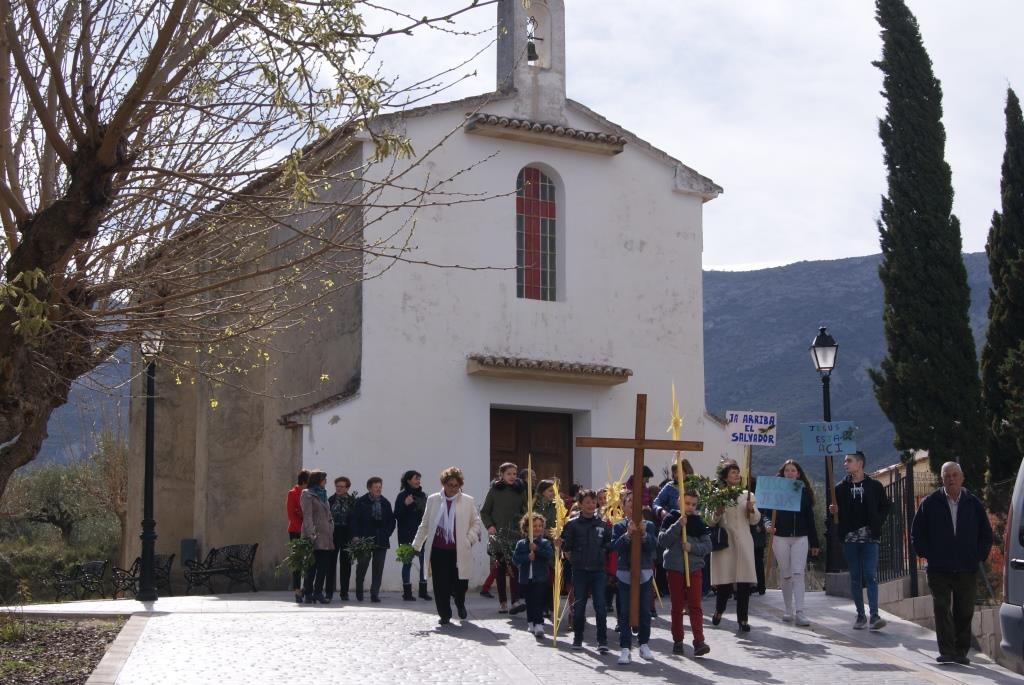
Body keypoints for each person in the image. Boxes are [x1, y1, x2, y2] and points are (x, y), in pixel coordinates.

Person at [911, 462, 993, 665]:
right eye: (947, 476)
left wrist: (977, 556)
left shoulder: (973, 503)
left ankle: (961, 652)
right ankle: (946, 651)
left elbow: (986, 534)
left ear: (962, 477)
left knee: (964, 611)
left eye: (955, 475)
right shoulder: (930, 503)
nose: (951, 479)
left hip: (967, 567)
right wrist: (928, 554)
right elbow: (917, 534)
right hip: (939, 568)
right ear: (942, 478)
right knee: (941, 608)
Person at [411, 466, 483, 625]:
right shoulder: (433, 499)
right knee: (440, 584)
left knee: (460, 583)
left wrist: (468, 539)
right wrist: (415, 546)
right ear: (443, 484)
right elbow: (425, 524)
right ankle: (444, 613)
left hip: (458, 550)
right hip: (438, 550)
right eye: (449, 485)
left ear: (460, 486)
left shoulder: (467, 500)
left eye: (456, 485)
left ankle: (460, 602)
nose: (452, 488)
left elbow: (476, 523)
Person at [830, 451, 891, 631]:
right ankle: (860, 615)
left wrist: (877, 523)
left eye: (849, 460)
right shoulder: (840, 489)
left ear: (860, 463)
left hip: (870, 538)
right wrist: (834, 511)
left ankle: (875, 615)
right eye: (844, 461)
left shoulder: (875, 486)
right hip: (850, 539)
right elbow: (834, 515)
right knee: (855, 578)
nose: (845, 464)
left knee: (871, 575)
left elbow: (885, 506)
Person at [761, 459, 819, 626]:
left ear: (798, 474)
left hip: (801, 537)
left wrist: (815, 543)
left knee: (798, 573)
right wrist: (767, 525)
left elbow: (810, 518)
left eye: (793, 470)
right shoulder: (774, 491)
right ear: (782, 473)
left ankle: (800, 612)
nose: (790, 473)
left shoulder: (804, 493)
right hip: (780, 538)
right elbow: (765, 513)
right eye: (787, 470)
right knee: (786, 573)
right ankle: (788, 610)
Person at [709, 459, 761, 632]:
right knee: (725, 582)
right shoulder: (717, 495)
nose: (737, 475)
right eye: (733, 472)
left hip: (744, 541)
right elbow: (709, 520)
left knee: (744, 583)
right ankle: (719, 610)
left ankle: (743, 619)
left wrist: (751, 510)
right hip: (726, 542)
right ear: (725, 476)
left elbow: (755, 520)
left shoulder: (748, 495)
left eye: (738, 472)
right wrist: (717, 512)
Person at [658, 489, 712, 657]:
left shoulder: (699, 522)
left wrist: (692, 547)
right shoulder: (670, 518)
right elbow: (663, 540)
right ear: (679, 502)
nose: (690, 507)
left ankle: (699, 641)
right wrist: (677, 526)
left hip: (694, 568)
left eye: (693, 504)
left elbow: (708, 546)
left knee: (695, 605)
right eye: (687, 503)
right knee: (677, 606)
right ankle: (678, 640)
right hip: (675, 568)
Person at [560, 488, 612, 653]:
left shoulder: (603, 524)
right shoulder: (572, 524)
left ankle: (602, 640)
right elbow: (566, 546)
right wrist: (568, 553)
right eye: (587, 502)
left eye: (593, 501)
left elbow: (608, 544)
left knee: (600, 606)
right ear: (580, 504)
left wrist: (602, 553)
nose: (591, 505)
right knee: (579, 606)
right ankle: (577, 638)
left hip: (598, 571)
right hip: (580, 570)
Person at [611, 488, 658, 665]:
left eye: (636, 504)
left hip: (644, 572)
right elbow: (616, 547)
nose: (633, 507)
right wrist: (628, 535)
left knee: (645, 611)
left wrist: (644, 534)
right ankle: (625, 647)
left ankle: (644, 644)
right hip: (624, 573)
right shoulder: (619, 526)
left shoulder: (650, 525)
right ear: (624, 507)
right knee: (624, 611)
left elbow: (653, 546)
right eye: (629, 503)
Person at [480, 462, 528, 614]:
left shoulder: (521, 491)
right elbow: (485, 512)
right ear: (501, 474)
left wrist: (523, 522)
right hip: (499, 536)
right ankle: (502, 602)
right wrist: (490, 526)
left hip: (515, 535)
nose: (512, 476)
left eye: (514, 473)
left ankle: (515, 601)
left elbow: (526, 510)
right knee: (500, 569)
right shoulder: (494, 490)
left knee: (514, 568)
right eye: (509, 474)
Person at [352, 476, 396, 602]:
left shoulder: (385, 503)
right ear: (369, 488)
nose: (378, 489)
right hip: (365, 539)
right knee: (363, 564)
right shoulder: (362, 501)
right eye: (376, 487)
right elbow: (355, 520)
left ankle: (374, 593)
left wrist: (386, 533)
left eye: (380, 487)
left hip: (381, 540)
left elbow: (391, 521)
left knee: (378, 567)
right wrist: (356, 535)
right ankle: (359, 590)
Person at [512, 512, 555, 637]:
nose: (538, 528)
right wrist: (527, 557)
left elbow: (549, 555)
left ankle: (539, 624)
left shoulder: (545, 543)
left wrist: (537, 550)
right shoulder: (521, 544)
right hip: (526, 579)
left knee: (538, 601)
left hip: (540, 578)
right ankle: (531, 622)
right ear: (526, 528)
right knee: (530, 602)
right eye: (534, 526)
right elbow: (515, 559)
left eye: (540, 526)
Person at [394, 470, 430, 601]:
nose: (418, 481)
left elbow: (427, 515)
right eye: (416, 478)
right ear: (408, 480)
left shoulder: (423, 495)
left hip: (421, 535)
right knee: (407, 564)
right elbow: (396, 514)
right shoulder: (402, 496)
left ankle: (423, 591)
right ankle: (407, 593)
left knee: (423, 564)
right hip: (406, 535)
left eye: (419, 479)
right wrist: (405, 504)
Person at [299, 469, 334, 604]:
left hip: (326, 536)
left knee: (323, 566)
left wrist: (331, 526)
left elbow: (328, 514)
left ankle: (318, 592)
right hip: (313, 535)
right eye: (324, 479)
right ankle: (308, 592)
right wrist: (311, 534)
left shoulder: (323, 494)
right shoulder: (307, 494)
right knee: (311, 567)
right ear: (318, 480)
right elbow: (307, 516)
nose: (326, 482)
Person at [326, 476, 355, 601]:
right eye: (337, 486)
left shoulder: (353, 501)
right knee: (330, 564)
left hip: (346, 535)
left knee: (346, 565)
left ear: (347, 488)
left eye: (342, 486)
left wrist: (354, 535)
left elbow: (355, 520)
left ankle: (344, 592)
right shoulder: (330, 500)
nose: (339, 488)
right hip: (333, 534)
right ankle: (329, 592)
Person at [286, 469, 310, 604]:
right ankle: (297, 589)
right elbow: (291, 514)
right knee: (297, 561)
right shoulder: (293, 493)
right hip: (296, 531)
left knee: (309, 561)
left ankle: (306, 587)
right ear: (305, 481)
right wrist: (302, 528)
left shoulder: (309, 493)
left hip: (308, 530)